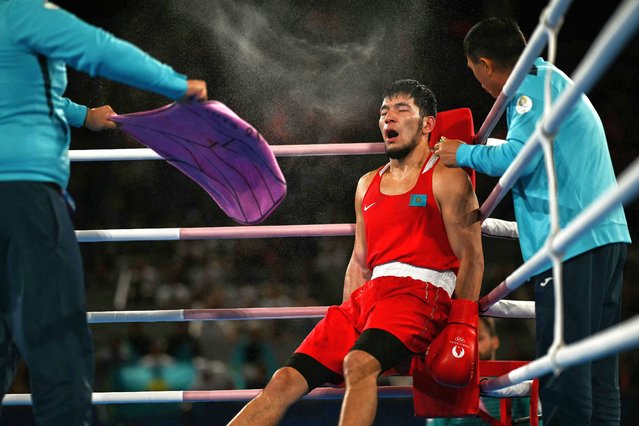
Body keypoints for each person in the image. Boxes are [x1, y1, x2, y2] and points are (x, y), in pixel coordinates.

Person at [227, 79, 484, 426]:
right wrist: (353, 315)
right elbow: (360, 260)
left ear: (427, 124)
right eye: (383, 112)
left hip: (420, 295)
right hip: (367, 300)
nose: (388, 118)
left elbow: (472, 256)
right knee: (283, 380)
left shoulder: (446, 178)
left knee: (358, 363)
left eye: (401, 109)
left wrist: (461, 324)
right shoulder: (367, 184)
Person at [0, 1, 207, 424]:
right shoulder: (20, 11)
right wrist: (175, 86)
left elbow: (17, 88)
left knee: (3, 334)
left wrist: (82, 115)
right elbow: (98, 48)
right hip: (22, 195)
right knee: (58, 336)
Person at [433, 17, 631, 426]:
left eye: (476, 74)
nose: (481, 86)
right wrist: (481, 143)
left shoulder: (526, 90)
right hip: (604, 235)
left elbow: (519, 158)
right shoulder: (548, 80)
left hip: (572, 241)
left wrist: (462, 154)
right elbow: (525, 147)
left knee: (562, 365)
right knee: (596, 369)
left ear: (486, 65)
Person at [427, 317, 537, 425]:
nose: (472, 346)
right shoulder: (447, 395)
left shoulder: (516, 384)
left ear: (495, 341)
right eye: (466, 340)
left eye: (479, 339)